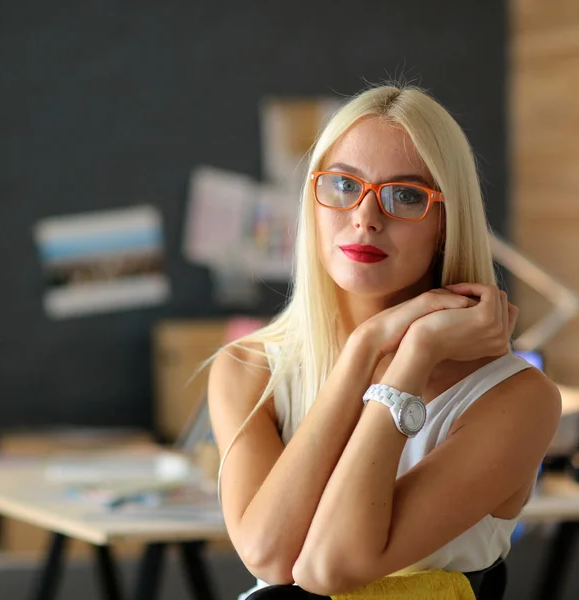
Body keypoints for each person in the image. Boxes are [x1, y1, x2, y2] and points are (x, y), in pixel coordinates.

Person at [207, 84, 561, 599]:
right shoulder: (247, 366)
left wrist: (410, 359)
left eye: (407, 196)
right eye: (344, 185)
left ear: (446, 222)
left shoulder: (516, 399)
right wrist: (365, 348)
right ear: (312, 199)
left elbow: (331, 568)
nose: (366, 217)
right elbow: (268, 553)